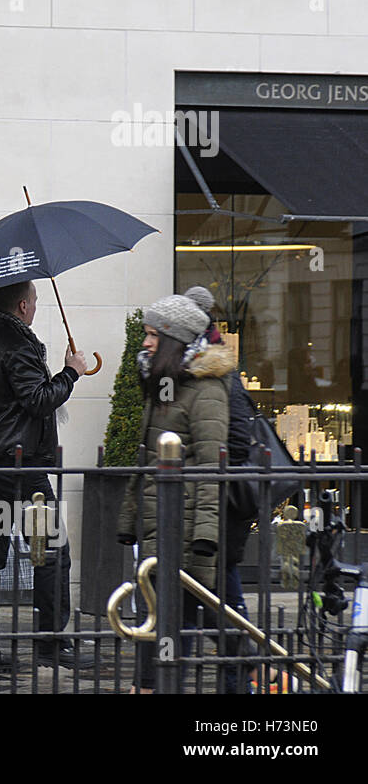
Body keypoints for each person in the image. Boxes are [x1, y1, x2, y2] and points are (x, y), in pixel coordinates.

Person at [0, 279, 89, 671]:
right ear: (22, 306)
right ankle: (50, 644)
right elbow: (38, 400)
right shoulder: (19, 346)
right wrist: (70, 372)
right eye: (34, 302)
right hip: (22, 470)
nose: (34, 308)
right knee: (52, 554)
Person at [117, 293, 230, 692]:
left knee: (180, 626)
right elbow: (147, 458)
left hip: (183, 535)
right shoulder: (165, 384)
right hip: (157, 532)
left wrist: (203, 538)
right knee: (166, 622)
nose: (144, 343)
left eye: (151, 335)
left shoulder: (207, 391)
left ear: (174, 340)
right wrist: (130, 521)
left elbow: (210, 467)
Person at [183, 284, 255, 693]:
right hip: (197, 512)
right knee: (196, 606)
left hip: (218, 513)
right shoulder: (187, 368)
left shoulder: (218, 370)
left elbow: (240, 443)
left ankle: (238, 681)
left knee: (220, 606)